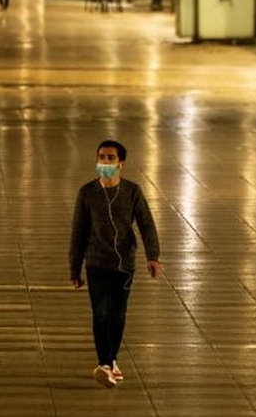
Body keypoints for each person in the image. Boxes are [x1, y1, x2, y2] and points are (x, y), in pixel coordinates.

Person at [69, 140, 162, 389]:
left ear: (120, 163)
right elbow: (78, 233)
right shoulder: (87, 193)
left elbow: (147, 225)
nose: (105, 162)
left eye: (111, 158)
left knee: (117, 316)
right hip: (97, 263)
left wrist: (153, 256)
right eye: (101, 157)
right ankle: (104, 364)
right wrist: (74, 269)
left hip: (124, 266)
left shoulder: (132, 192)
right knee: (100, 314)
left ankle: (112, 360)